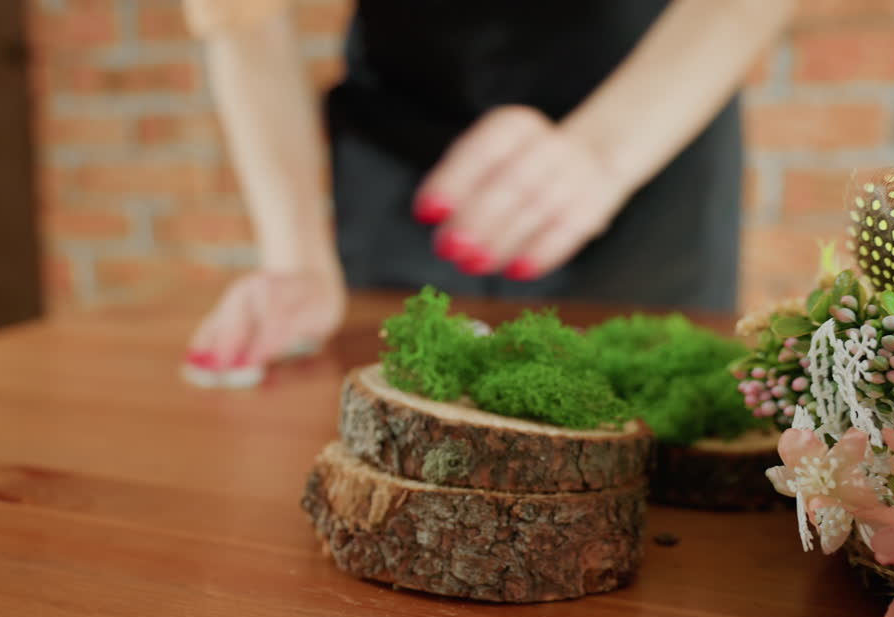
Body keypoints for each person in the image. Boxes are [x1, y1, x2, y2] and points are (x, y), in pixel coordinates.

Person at [181, 0, 795, 380]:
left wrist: (607, 151)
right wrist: (295, 259)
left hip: (647, 117)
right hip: (399, 138)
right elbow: (240, 18)